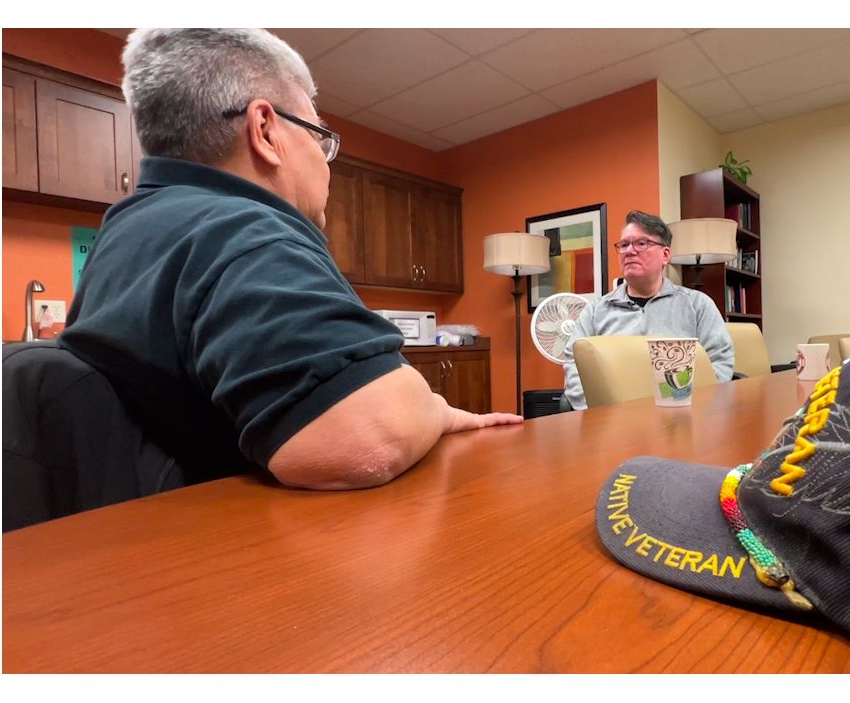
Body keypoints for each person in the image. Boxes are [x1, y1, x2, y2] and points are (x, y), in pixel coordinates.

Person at [58, 29, 521, 492]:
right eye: (319, 137)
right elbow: (365, 440)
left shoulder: (124, 230)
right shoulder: (243, 233)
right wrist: (436, 408)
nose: (325, 162)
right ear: (265, 130)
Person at [562, 210, 734, 410]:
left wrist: (685, 406)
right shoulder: (594, 311)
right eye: (624, 244)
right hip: (613, 419)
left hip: (682, 416)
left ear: (665, 255)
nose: (629, 251)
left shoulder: (697, 305)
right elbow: (575, 366)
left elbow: (720, 363)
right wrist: (598, 413)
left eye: (641, 243)